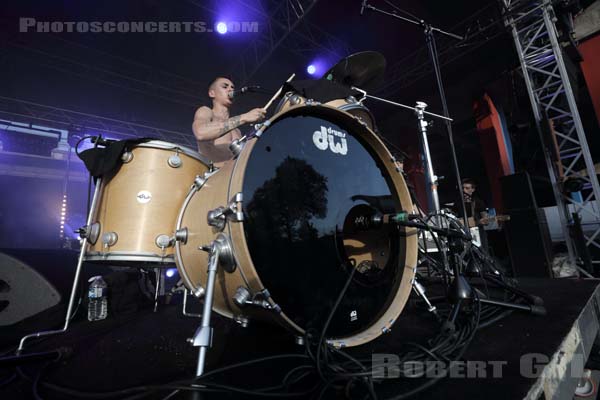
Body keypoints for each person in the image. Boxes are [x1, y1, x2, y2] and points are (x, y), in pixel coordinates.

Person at [192, 77, 265, 166]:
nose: (230, 89)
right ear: (212, 93)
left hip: (234, 177)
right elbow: (201, 132)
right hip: (212, 176)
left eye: (232, 87)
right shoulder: (206, 111)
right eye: (225, 87)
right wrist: (244, 117)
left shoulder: (237, 130)